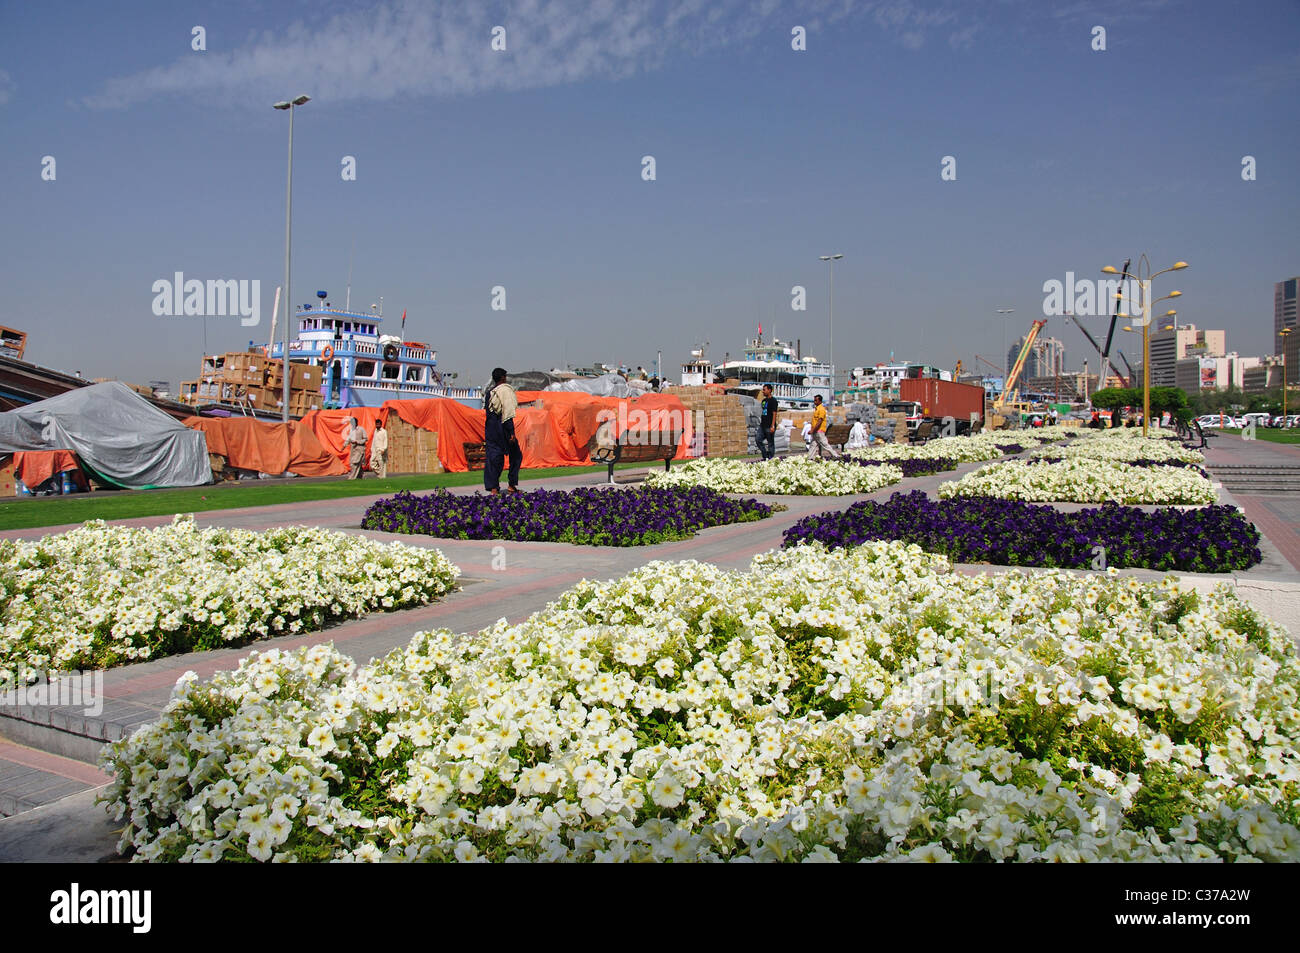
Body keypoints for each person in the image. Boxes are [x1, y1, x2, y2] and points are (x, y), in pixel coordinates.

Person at [484, 367, 521, 494]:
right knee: (516, 456)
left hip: (491, 429)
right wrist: (511, 433)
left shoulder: (490, 393)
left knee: (494, 458)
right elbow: (507, 413)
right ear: (503, 378)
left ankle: (493, 487)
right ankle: (511, 484)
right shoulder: (505, 391)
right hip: (503, 428)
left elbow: (489, 413)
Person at [807, 394, 841, 459]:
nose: (814, 402)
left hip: (819, 431)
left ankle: (836, 456)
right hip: (816, 431)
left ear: (820, 401)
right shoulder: (816, 410)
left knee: (825, 444)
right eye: (814, 400)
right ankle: (809, 458)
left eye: (816, 400)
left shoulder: (821, 409)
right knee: (813, 445)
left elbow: (819, 421)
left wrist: (813, 430)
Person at [758, 384, 778, 459]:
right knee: (758, 439)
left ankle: (770, 458)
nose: (763, 391)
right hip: (762, 424)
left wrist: (772, 426)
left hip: (769, 425)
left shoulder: (773, 401)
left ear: (769, 390)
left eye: (764, 390)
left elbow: (774, 413)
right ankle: (765, 454)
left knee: (770, 443)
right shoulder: (764, 401)